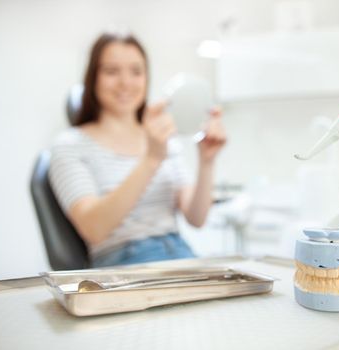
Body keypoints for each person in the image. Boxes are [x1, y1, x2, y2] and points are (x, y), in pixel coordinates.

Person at [49, 32, 226, 268]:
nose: (125, 83)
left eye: (136, 71)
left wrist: (207, 162)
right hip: (123, 264)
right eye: (112, 71)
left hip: (182, 255)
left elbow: (197, 218)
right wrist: (151, 159)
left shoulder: (163, 139)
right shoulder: (70, 145)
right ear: (93, 78)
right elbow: (94, 229)